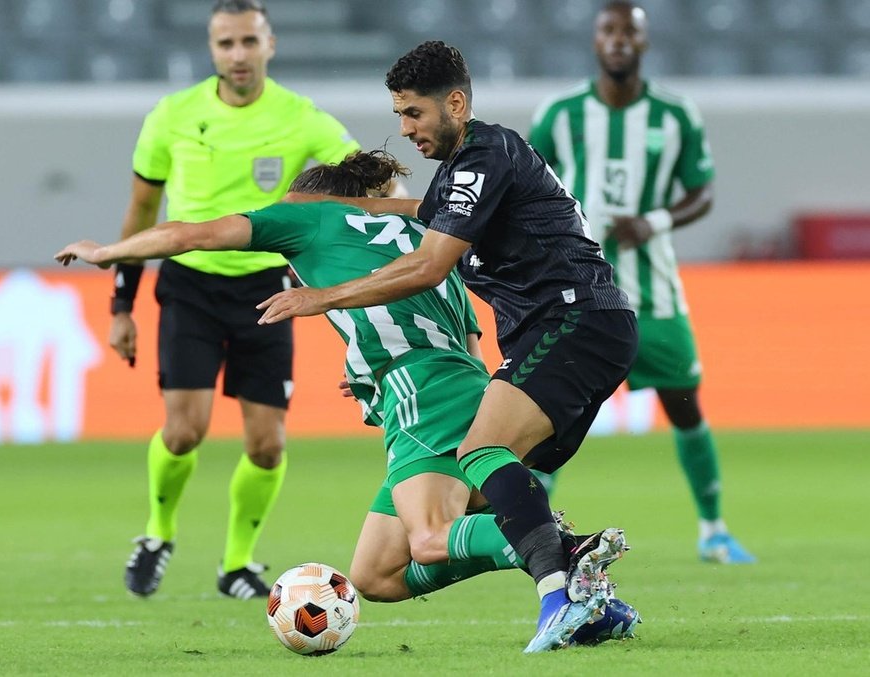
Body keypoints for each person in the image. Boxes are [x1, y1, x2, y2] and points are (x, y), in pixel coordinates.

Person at [56, 150, 640, 645]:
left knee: (431, 539)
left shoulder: (308, 219)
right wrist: (374, 373)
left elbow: (192, 233)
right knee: (377, 574)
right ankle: (583, 592)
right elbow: (462, 337)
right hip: (446, 385)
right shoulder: (422, 241)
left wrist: (112, 252)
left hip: (422, 393)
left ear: (310, 198)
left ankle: (560, 552)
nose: (278, 216)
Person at [254, 42, 639, 652]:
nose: (405, 129)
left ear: (455, 102)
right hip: (575, 326)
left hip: (569, 319)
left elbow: (430, 264)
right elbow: (417, 213)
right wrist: (345, 209)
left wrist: (321, 296)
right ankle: (586, 591)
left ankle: (562, 579)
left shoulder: (485, 152)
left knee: (479, 453)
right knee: (378, 571)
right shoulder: (466, 177)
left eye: (413, 114)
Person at [108, 0, 398, 601]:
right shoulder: (172, 116)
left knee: (267, 445)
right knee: (184, 432)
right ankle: (158, 535)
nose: (237, 55)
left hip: (267, 288)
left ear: (269, 44)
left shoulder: (299, 118)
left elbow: (370, 178)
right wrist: (121, 305)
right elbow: (141, 212)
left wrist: (398, 208)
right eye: (226, 44)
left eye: (248, 42)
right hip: (189, 281)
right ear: (212, 50)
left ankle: (236, 563)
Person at [528, 0, 754, 565]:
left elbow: (701, 190)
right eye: (610, 29)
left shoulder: (676, 116)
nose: (620, 38)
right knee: (547, 418)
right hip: (576, 293)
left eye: (630, 29)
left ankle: (714, 529)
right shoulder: (559, 114)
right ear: (596, 40)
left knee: (685, 406)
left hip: (653, 293)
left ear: (644, 42)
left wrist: (652, 221)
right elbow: (528, 182)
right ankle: (535, 537)